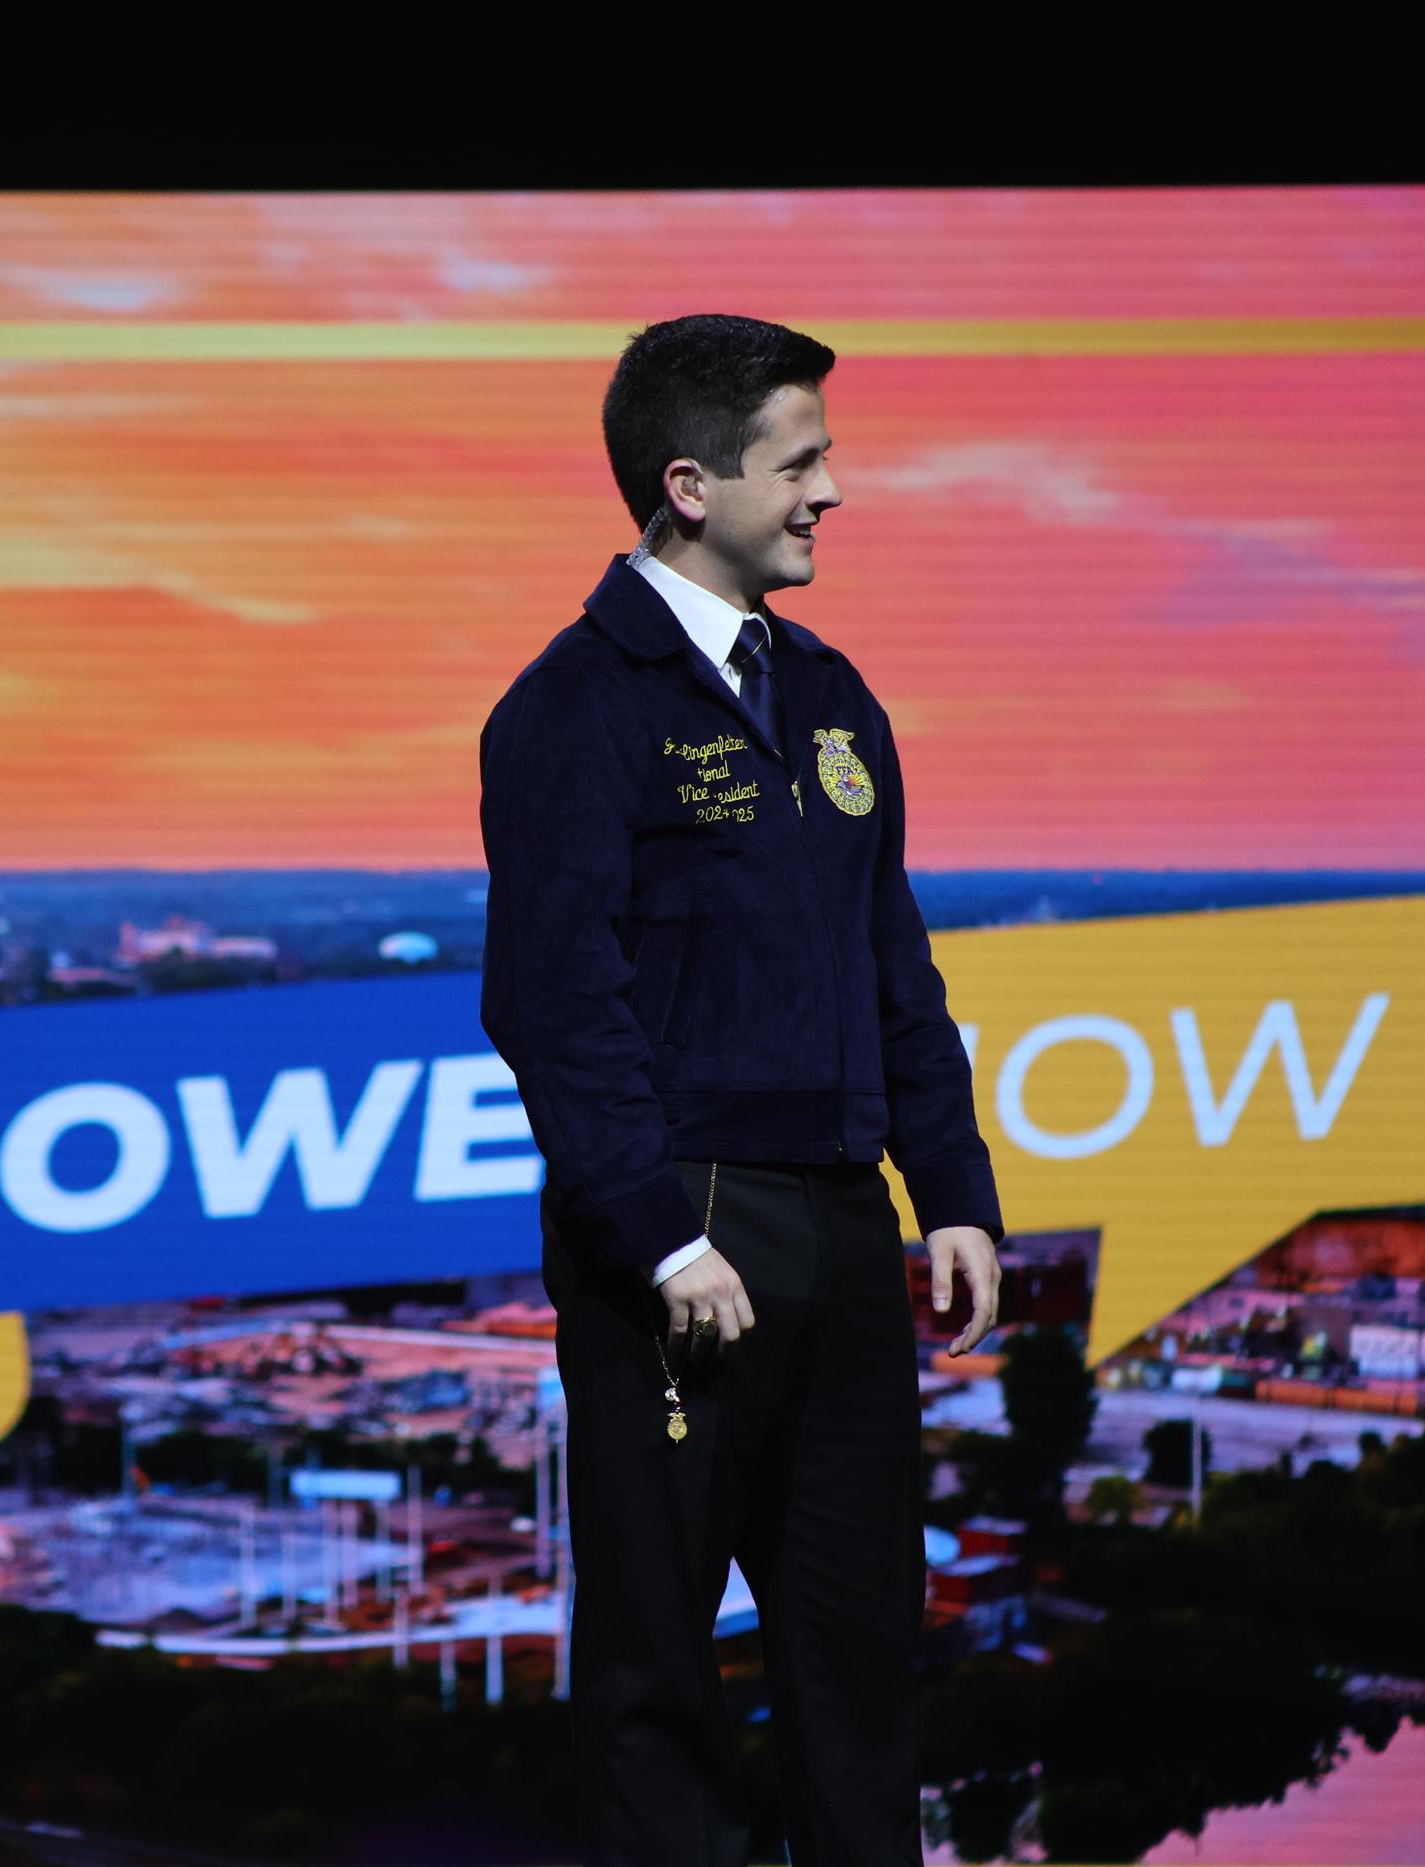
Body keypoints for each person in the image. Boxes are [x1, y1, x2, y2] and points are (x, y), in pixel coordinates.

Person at [477, 313, 1006, 1867]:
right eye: (803, 461)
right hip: (684, 1244)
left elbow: (892, 961)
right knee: (659, 1672)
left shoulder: (834, 696)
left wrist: (951, 1190)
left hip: (845, 1233)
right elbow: (552, 1004)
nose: (833, 491)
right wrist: (657, 1236)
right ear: (691, 485)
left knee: (861, 1657)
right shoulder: (574, 706)